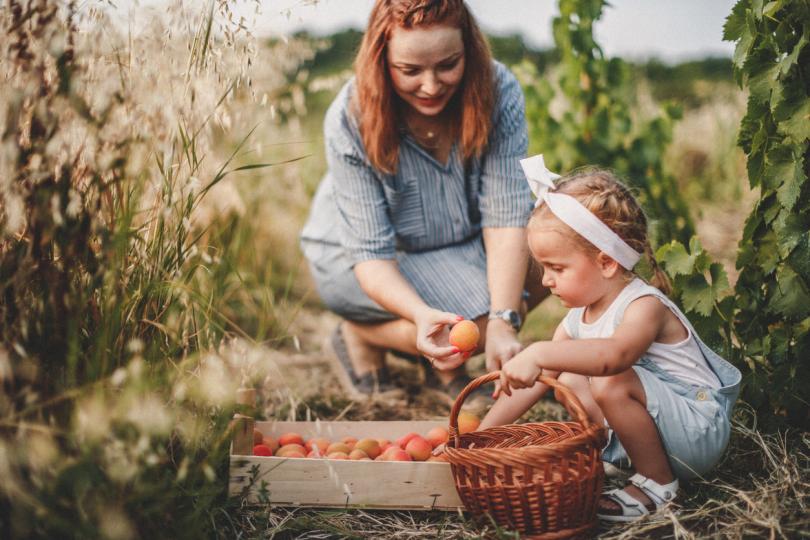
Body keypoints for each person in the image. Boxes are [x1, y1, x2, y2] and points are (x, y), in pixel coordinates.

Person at [299, 0, 547, 400]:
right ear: (382, 60)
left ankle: (441, 364)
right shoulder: (350, 117)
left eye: (447, 65)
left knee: (546, 255)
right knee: (476, 321)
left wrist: (503, 321)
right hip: (361, 259)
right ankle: (362, 334)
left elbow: (505, 218)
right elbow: (371, 255)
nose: (430, 86)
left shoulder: (499, 92)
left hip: (451, 246)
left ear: (469, 49)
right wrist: (418, 316)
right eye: (409, 71)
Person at [479, 163, 741, 522]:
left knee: (609, 376)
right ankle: (617, 461)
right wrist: (479, 437)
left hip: (695, 432)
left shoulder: (644, 306)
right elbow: (538, 379)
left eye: (557, 268)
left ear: (605, 262)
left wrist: (538, 350)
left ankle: (659, 485)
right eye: (543, 268)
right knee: (566, 378)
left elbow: (614, 357)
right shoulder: (577, 318)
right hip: (655, 431)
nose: (548, 281)